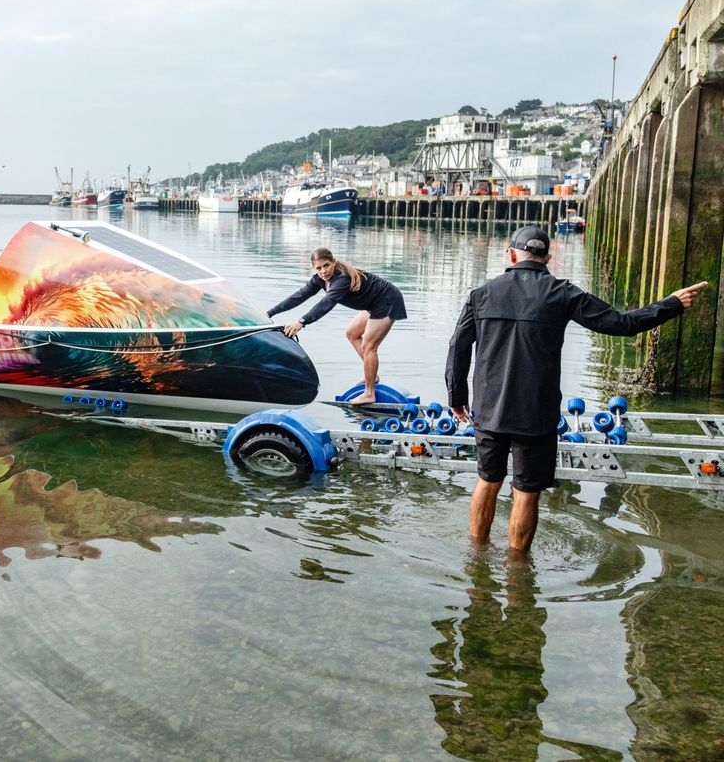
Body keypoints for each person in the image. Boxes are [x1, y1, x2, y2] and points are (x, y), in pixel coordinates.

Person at [445, 225, 708, 554]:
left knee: (487, 480)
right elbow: (621, 324)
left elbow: (458, 348)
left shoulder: (480, 294)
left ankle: (477, 556)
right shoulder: (562, 293)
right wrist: (671, 304)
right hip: (536, 413)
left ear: (509, 254)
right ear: (548, 258)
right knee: (526, 491)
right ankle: (517, 572)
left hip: (489, 409)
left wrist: (457, 399)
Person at [267, 248, 408, 404]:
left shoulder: (342, 278)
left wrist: (302, 322)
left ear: (333, 262)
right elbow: (299, 296)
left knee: (369, 346)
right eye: (318, 268)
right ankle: (372, 376)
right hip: (373, 305)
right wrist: (270, 313)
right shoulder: (320, 279)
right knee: (352, 333)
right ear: (314, 268)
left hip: (387, 300)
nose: (323, 271)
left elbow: (326, 303)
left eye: (326, 265)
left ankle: (369, 393)